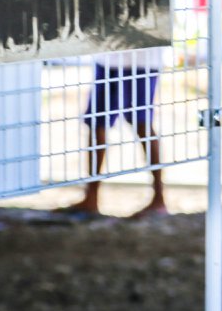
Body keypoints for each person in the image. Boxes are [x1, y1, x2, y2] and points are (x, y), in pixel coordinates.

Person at [65, 49, 166, 218]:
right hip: (110, 57)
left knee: (140, 123)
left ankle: (159, 197)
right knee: (99, 122)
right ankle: (91, 196)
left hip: (140, 59)